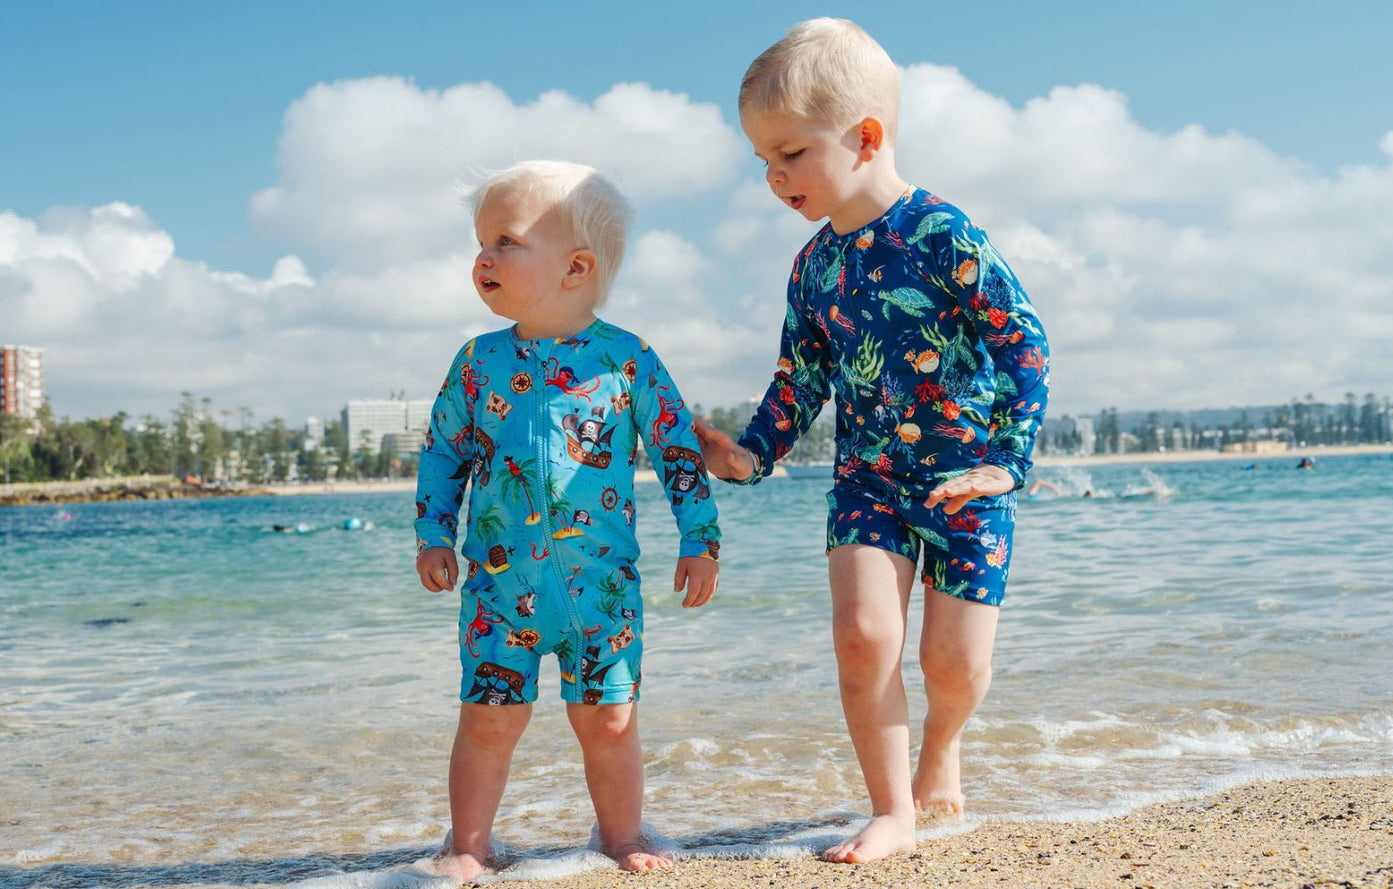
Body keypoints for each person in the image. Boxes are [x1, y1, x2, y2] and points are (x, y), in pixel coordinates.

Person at [692, 19, 1049, 865]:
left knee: (953, 665)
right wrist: (750, 454)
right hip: (867, 483)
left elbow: (1024, 343)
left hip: (966, 482)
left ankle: (942, 746)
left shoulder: (944, 234)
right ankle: (893, 809)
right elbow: (800, 379)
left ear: (866, 137)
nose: (775, 176)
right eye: (763, 160)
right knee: (861, 634)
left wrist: (1007, 463)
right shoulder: (813, 267)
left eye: (791, 152)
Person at [414, 161, 723, 881]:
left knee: (609, 721)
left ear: (576, 267)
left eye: (505, 241)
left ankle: (621, 835)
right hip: (499, 589)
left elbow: (677, 449)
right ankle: (469, 846)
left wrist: (700, 538)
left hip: (602, 591)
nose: (483, 257)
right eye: (480, 242)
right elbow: (443, 452)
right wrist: (433, 534)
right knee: (488, 720)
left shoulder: (626, 358)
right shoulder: (477, 362)